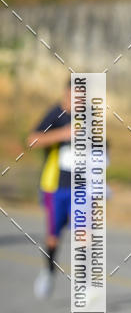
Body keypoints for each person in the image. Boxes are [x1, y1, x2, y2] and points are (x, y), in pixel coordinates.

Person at [28, 80, 72, 299]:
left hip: (80, 187)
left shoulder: (89, 116)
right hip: (54, 185)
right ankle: (48, 270)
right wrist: (62, 134)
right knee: (54, 236)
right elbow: (32, 140)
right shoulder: (54, 114)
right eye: (72, 96)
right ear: (66, 93)